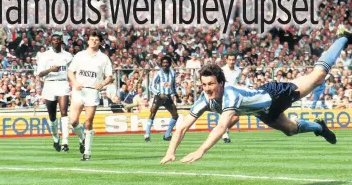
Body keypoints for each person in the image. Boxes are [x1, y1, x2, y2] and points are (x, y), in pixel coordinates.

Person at [160, 29, 352, 164]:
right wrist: (170, 152)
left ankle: (342, 38)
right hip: (263, 111)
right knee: (291, 130)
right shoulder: (204, 99)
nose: (207, 89)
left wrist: (200, 150)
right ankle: (319, 127)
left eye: (211, 84)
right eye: (203, 85)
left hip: (275, 95)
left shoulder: (231, 95)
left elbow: (221, 125)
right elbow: (183, 127)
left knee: (317, 77)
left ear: (221, 83)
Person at [68, 32, 113, 161]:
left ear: (100, 42)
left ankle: (87, 152)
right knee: (73, 121)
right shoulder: (80, 55)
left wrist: (103, 83)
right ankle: (82, 138)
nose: (93, 41)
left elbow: (109, 76)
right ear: (87, 41)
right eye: (91, 39)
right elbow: (70, 71)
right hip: (78, 90)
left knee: (88, 122)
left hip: (92, 92)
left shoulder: (103, 58)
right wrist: (75, 83)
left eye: (96, 40)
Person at [37, 33, 73, 152]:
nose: (56, 42)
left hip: (62, 83)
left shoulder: (68, 56)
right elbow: (40, 74)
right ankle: (55, 138)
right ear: (50, 42)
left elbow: (72, 72)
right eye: (54, 40)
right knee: (52, 116)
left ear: (61, 41)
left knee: (64, 112)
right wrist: (50, 70)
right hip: (49, 84)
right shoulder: (45, 56)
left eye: (58, 40)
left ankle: (65, 142)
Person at [144, 56, 178, 142]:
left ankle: (167, 135)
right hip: (159, 97)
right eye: (163, 63)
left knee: (175, 115)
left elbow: (173, 86)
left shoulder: (172, 73)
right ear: (161, 64)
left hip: (168, 97)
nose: (165, 64)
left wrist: (176, 95)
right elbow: (151, 86)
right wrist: (159, 93)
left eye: (167, 63)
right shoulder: (159, 73)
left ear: (169, 64)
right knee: (152, 113)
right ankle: (147, 134)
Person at [220, 53, 243, 143]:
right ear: (226, 60)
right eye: (230, 60)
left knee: (236, 117)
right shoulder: (222, 70)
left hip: (234, 95)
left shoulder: (238, 71)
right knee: (225, 116)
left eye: (233, 60)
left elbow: (237, 82)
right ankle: (225, 134)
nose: (231, 62)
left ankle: (222, 131)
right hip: (224, 95)